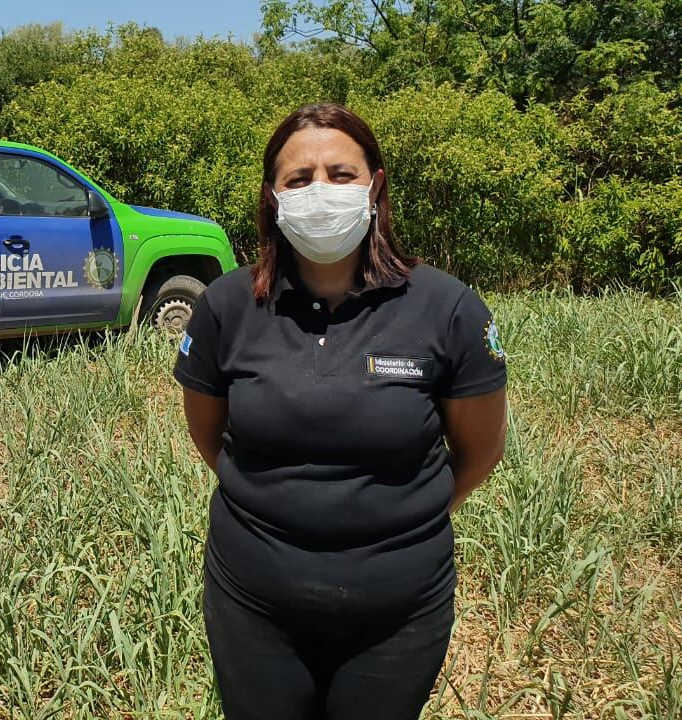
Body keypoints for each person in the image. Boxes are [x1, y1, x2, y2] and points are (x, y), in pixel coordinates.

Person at [174, 103, 507, 720]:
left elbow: (480, 451)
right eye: (298, 179)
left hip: (399, 614)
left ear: (375, 186)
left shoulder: (448, 308)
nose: (319, 191)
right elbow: (208, 434)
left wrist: (398, 523)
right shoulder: (226, 306)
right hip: (252, 603)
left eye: (341, 174)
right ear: (273, 197)